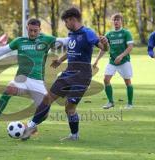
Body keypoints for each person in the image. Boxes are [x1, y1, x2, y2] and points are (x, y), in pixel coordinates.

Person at [21, 7, 109, 141]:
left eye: (66, 22)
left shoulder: (88, 33)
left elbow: (103, 48)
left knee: (70, 108)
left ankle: (74, 135)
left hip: (82, 76)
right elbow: (71, 51)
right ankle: (31, 126)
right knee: (47, 98)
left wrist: (105, 44)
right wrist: (60, 60)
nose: (66, 25)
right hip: (68, 73)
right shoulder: (71, 34)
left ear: (73, 20)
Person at [0, 18, 68, 134]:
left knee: (44, 113)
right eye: (30, 30)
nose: (33, 33)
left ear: (40, 29)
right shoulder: (19, 41)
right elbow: (3, 50)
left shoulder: (46, 40)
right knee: (8, 90)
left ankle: (32, 126)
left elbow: (65, 40)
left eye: (35, 31)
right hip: (21, 79)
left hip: (37, 81)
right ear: (27, 28)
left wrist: (82, 36)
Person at [93, 13, 134, 110]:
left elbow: (130, 47)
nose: (116, 22)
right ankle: (110, 102)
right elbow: (104, 49)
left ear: (121, 21)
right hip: (112, 62)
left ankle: (130, 103)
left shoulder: (126, 33)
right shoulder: (109, 34)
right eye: (114, 20)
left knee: (127, 82)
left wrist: (121, 56)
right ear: (112, 22)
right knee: (106, 80)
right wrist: (97, 60)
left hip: (124, 61)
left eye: (118, 20)